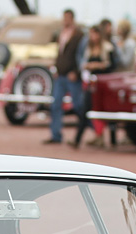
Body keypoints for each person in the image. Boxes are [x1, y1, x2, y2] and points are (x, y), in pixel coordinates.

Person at [69, 25, 116, 149]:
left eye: (94, 34)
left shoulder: (107, 47)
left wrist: (99, 66)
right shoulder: (89, 48)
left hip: (104, 84)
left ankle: (113, 140)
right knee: (85, 109)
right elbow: (83, 63)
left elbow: (112, 65)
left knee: (109, 111)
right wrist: (87, 66)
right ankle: (77, 139)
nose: (92, 37)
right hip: (92, 83)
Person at [43, 9, 84, 145]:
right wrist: (56, 67)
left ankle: (94, 129)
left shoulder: (79, 35)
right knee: (55, 105)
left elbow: (81, 55)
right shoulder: (61, 33)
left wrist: (77, 72)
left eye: (67, 18)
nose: (65, 20)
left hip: (72, 76)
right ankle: (56, 134)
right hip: (60, 75)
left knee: (78, 105)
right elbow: (60, 53)